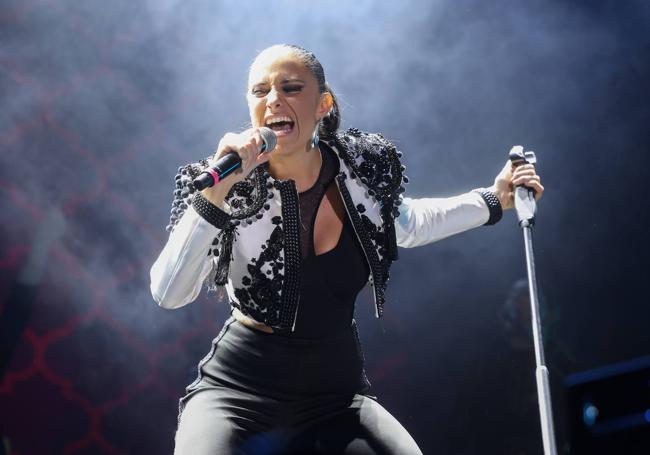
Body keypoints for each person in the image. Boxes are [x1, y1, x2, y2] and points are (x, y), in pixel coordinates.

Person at [150, 44, 544, 455]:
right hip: (239, 391)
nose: (273, 100)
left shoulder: (360, 168)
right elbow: (169, 293)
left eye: (290, 87)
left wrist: (494, 199)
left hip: (335, 395)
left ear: (323, 104)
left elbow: (408, 224)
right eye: (260, 91)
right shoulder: (227, 186)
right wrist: (214, 195)